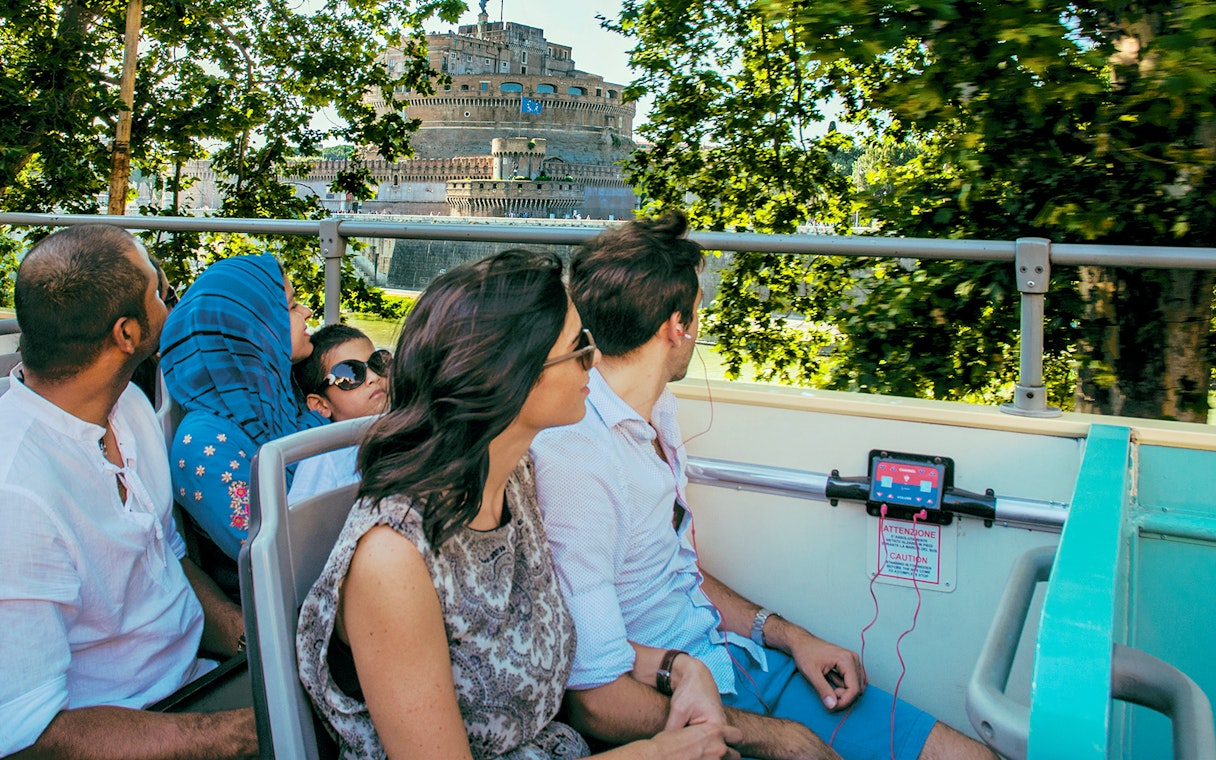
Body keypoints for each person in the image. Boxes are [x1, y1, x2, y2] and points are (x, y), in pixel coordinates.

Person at [529, 213, 998, 760]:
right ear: (677, 327)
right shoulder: (577, 458)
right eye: (698, 313)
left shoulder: (656, 409)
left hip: (735, 658)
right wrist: (773, 738)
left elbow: (672, 569)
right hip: (680, 705)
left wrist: (789, 636)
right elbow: (596, 700)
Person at [297, 249, 741, 759]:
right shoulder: (394, 560)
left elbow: (551, 644)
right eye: (578, 347)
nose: (593, 360)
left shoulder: (513, 481)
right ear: (513, 375)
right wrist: (659, 753)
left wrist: (680, 668)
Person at [0, 224, 255, 758]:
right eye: (160, 292)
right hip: (129, 731)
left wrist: (252, 642)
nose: (171, 300)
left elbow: (163, 560)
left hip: (199, 685)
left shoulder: (129, 407)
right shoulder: (17, 495)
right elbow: (32, 735)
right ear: (126, 334)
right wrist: (241, 732)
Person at [159, 253, 324, 581]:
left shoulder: (280, 400)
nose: (306, 312)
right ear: (251, 330)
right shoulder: (202, 444)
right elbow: (272, 555)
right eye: (290, 307)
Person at [288, 323, 390, 503]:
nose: (373, 378)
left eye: (377, 363)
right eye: (351, 375)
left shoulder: (413, 430)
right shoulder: (324, 461)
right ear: (321, 404)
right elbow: (301, 527)